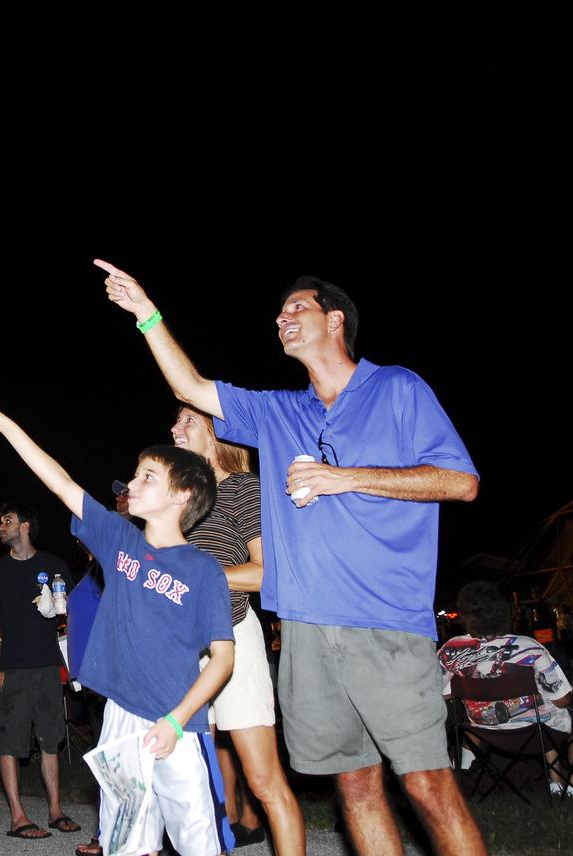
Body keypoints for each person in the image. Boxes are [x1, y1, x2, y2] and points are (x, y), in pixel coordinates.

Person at [97, 260, 485, 856]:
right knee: (354, 785)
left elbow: (460, 482)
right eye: (279, 313)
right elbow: (192, 388)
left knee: (427, 783)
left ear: (335, 321)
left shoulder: (397, 389)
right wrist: (146, 314)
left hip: (384, 619)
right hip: (303, 627)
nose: (281, 318)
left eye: (296, 309)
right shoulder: (280, 412)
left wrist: (343, 477)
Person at [0, 389, 235, 856]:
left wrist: (176, 720)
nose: (133, 481)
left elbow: (222, 660)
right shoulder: (119, 541)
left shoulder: (203, 570)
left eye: (148, 476)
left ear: (182, 494)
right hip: (123, 720)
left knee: (199, 844)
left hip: (180, 725)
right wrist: (7, 427)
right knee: (126, 842)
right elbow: (61, 483)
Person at [172, 405, 306, 855]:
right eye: (176, 421)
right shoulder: (182, 504)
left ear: (216, 434)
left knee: (264, 779)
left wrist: (203, 573)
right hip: (184, 648)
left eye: (188, 421)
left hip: (232, 636)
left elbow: (268, 574)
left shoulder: (242, 490)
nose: (175, 428)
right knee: (191, 781)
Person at [0, 503, 80, 840]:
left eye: (6, 520)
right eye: (0, 521)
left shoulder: (53, 566)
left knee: (50, 740)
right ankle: (18, 817)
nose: (0, 526)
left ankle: (55, 811)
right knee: (10, 742)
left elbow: (71, 616)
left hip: (49, 665)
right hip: (14, 668)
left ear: (25, 526)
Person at [438, 581, 573, 798]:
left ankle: (462, 775)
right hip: (536, 732)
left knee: (537, 708)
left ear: (466, 616)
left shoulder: (450, 650)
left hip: (485, 730)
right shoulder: (528, 646)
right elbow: (563, 701)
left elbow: (441, 694)